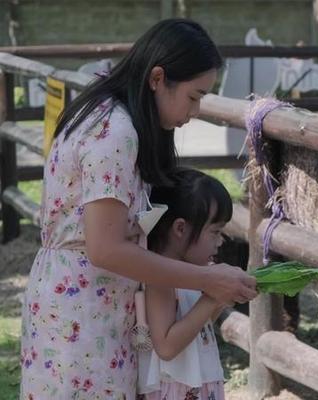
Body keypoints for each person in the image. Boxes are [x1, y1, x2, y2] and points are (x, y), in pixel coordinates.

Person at [20, 19, 257, 399]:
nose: (194, 111)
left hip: (89, 303)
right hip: (83, 311)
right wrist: (209, 282)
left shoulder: (108, 116)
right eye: (194, 96)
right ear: (158, 79)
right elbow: (106, 248)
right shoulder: (115, 132)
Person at [137, 168, 234, 400]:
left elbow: (193, 330)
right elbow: (167, 347)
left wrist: (220, 300)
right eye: (215, 232)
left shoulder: (191, 274)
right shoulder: (160, 278)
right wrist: (211, 299)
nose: (220, 242)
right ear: (180, 228)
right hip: (176, 391)